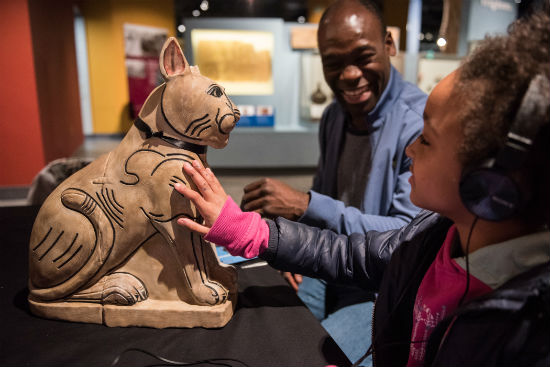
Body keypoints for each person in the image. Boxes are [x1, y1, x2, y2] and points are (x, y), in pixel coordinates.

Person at [175, 9, 550, 366]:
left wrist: (306, 205)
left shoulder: (529, 331)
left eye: (427, 140)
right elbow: (351, 254)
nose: (410, 149)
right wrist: (247, 230)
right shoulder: (432, 237)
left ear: (488, 182)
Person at [240, 1, 427, 362]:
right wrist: (297, 248)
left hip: (378, 290)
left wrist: (306, 205)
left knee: (300, 355)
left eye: (362, 57)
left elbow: (406, 239)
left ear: (389, 45)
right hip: (328, 271)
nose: (349, 75)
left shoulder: (419, 124)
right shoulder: (334, 117)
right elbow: (324, 196)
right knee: (257, 328)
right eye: (334, 63)